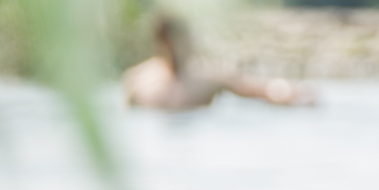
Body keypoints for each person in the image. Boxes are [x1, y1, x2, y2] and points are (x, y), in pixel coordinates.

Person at [122, 14, 315, 111]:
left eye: (185, 35)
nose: (186, 41)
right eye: (177, 36)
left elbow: (262, 90)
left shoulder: (209, 76)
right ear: (163, 40)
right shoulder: (137, 79)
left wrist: (296, 94)